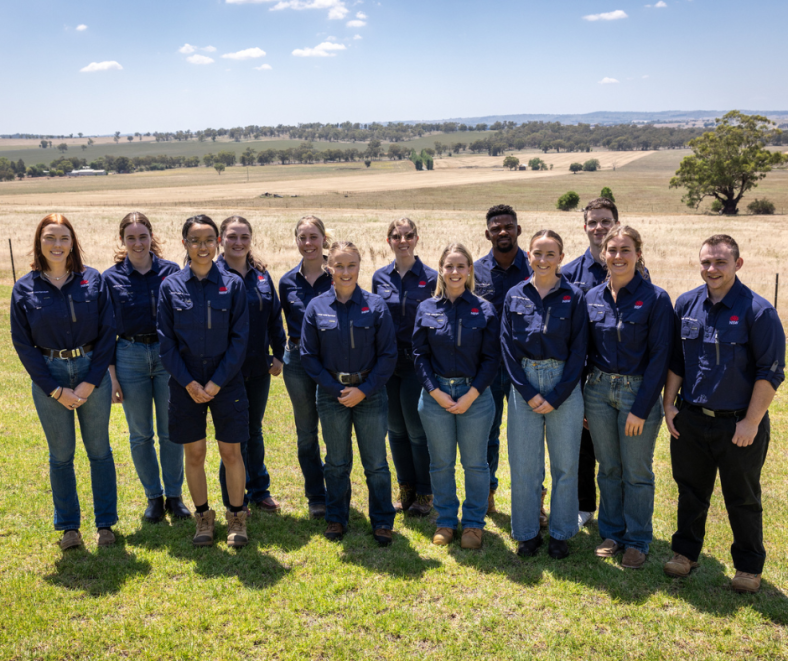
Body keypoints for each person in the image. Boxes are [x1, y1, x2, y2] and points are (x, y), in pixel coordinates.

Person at [663, 234, 785, 593]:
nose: (711, 269)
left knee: (742, 497)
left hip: (738, 425)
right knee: (690, 492)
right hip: (691, 419)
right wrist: (669, 404)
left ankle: (748, 567)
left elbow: (771, 370)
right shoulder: (686, 304)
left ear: (738, 264)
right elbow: (677, 361)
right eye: (706, 262)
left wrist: (751, 421)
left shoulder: (758, 311)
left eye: (720, 262)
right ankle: (684, 554)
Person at [11, 214, 118, 550]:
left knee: (99, 451)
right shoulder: (24, 288)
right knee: (61, 455)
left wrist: (90, 382)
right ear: (39, 243)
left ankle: (105, 525)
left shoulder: (92, 280)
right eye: (50, 238)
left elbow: (107, 334)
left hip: (90, 371)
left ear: (73, 243)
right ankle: (70, 527)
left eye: (63, 238)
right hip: (49, 374)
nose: (57, 245)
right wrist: (55, 390)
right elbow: (23, 345)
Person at [157, 215, 251, 548]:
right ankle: (203, 519)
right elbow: (165, 342)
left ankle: (237, 517)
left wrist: (215, 383)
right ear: (184, 244)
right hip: (185, 383)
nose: (203, 247)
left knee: (231, 452)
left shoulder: (233, 284)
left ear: (218, 243)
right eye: (195, 241)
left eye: (209, 240)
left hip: (226, 381)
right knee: (194, 453)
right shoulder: (170, 286)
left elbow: (240, 339)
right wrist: (190, 384)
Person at [583, 226, 672, 568]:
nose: (618, 256)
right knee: (608, 468)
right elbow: (584, 353)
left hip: (638, 392)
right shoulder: (591, 298)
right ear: (603, 254)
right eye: (613, 250)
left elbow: (660, 357)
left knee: (636, 470)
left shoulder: (656, 298)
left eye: (626, 249)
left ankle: (637, 539)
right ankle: (612, 533)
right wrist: (584, 400)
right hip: (599, 392)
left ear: (638, 253)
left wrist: (641, 408)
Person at [300, 241, 398, 545]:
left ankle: (382, 520)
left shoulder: (376, 305)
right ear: (329, 267)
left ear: (359, 266)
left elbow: (388, 356)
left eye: (351, 265)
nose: (345, 271)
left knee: (376, 463)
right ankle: (336, 518)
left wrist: (363, 391)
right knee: (337, 462)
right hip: (332, 395)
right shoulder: (316, 307)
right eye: (339, 265)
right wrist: (337, 389)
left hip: (370, 394)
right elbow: (307, 357)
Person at [501, 230, 587, 559]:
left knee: (565, 465)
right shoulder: (515, 296)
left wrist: (559, 394)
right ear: (528, 257)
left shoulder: (574, 296)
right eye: (537, 253)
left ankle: (562, 531)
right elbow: (507, 347)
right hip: (524, 382)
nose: (543, 260)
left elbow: (580, 349)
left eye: (550, 254)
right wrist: (525, 391)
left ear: (561, 258)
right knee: (525, 465)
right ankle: (526, 533)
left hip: (564, 381)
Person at [103, 212, 190, 523]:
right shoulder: (110, 278)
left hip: (167, 356)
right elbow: (105, 330)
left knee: (171, 432)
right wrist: (112, 375)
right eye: (131, 238)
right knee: (141, 434)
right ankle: (153, 498)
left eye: (143, 236)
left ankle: (175, 496)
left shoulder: (171, 271)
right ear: (122, 240)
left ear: (152, 237)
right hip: (129, 356)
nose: (138, 243)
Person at [414, 243, 499, 549]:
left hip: (474, 396)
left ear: (469, 271)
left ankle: (474, 524)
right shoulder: (427, 308)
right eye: (449, 266)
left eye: (461, 266)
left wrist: (470, 395)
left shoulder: (484, 309)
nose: (454, 272)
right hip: (436, 395)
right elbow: (419, 355)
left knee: (476, 463)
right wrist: (435, 393)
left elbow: (492, 359)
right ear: (440, 269)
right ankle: (447, 521)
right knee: (440, 463)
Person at [216, 215, 287, 514]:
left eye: (244, 236)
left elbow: (274, 316)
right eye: (232, 236)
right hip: (226, 370)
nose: (238, 242)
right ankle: (236, 499)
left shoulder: (260, 275)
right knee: (234, 435)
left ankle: (259, 490)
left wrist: (279, 353)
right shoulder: (211, 274)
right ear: (221, 239)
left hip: (259, 367)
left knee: (254, 430)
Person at [372, 218, 438, 516]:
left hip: (416, 363)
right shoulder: (379, 277)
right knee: (395, 430)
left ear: (417, 239)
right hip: (387, 363)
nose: (403, 241)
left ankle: (426, 493)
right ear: (389, 241)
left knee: (416, 431)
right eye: (396, 236)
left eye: (408, 235)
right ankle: (406, 490)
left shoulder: (432, 277)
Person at [562, 197, 621, 528]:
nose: (599, 227)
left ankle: (621, 509)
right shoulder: (569, 273)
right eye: (593, 222)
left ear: (616, 224)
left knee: (619, 448)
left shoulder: (633, 267)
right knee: (581, 445)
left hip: (622, 372)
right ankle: (584, 505)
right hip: (583, 373)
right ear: (584, 227)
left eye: (606, 220)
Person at [473, 204, 533, 517]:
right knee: (488, 432)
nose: (503, 232)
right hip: (490, 366)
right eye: (496, 228)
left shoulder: (535, 266)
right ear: (487, 234)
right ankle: (487, 494)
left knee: (529, 435)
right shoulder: (476, 270)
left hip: (528, 365)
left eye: (508, 226)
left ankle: (533, 500)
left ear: (518, 230)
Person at [279, 215, 333, 518]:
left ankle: (337, 491)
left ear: (324, 238)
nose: (308, 243)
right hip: (298, 362)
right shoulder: (287, 282)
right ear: (296, 240)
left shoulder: (338, 273)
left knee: (334, 429)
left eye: (314, 237)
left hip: (331, 361)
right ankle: (316, 495)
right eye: (302, 237)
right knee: (306, 432)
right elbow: (284, 322)